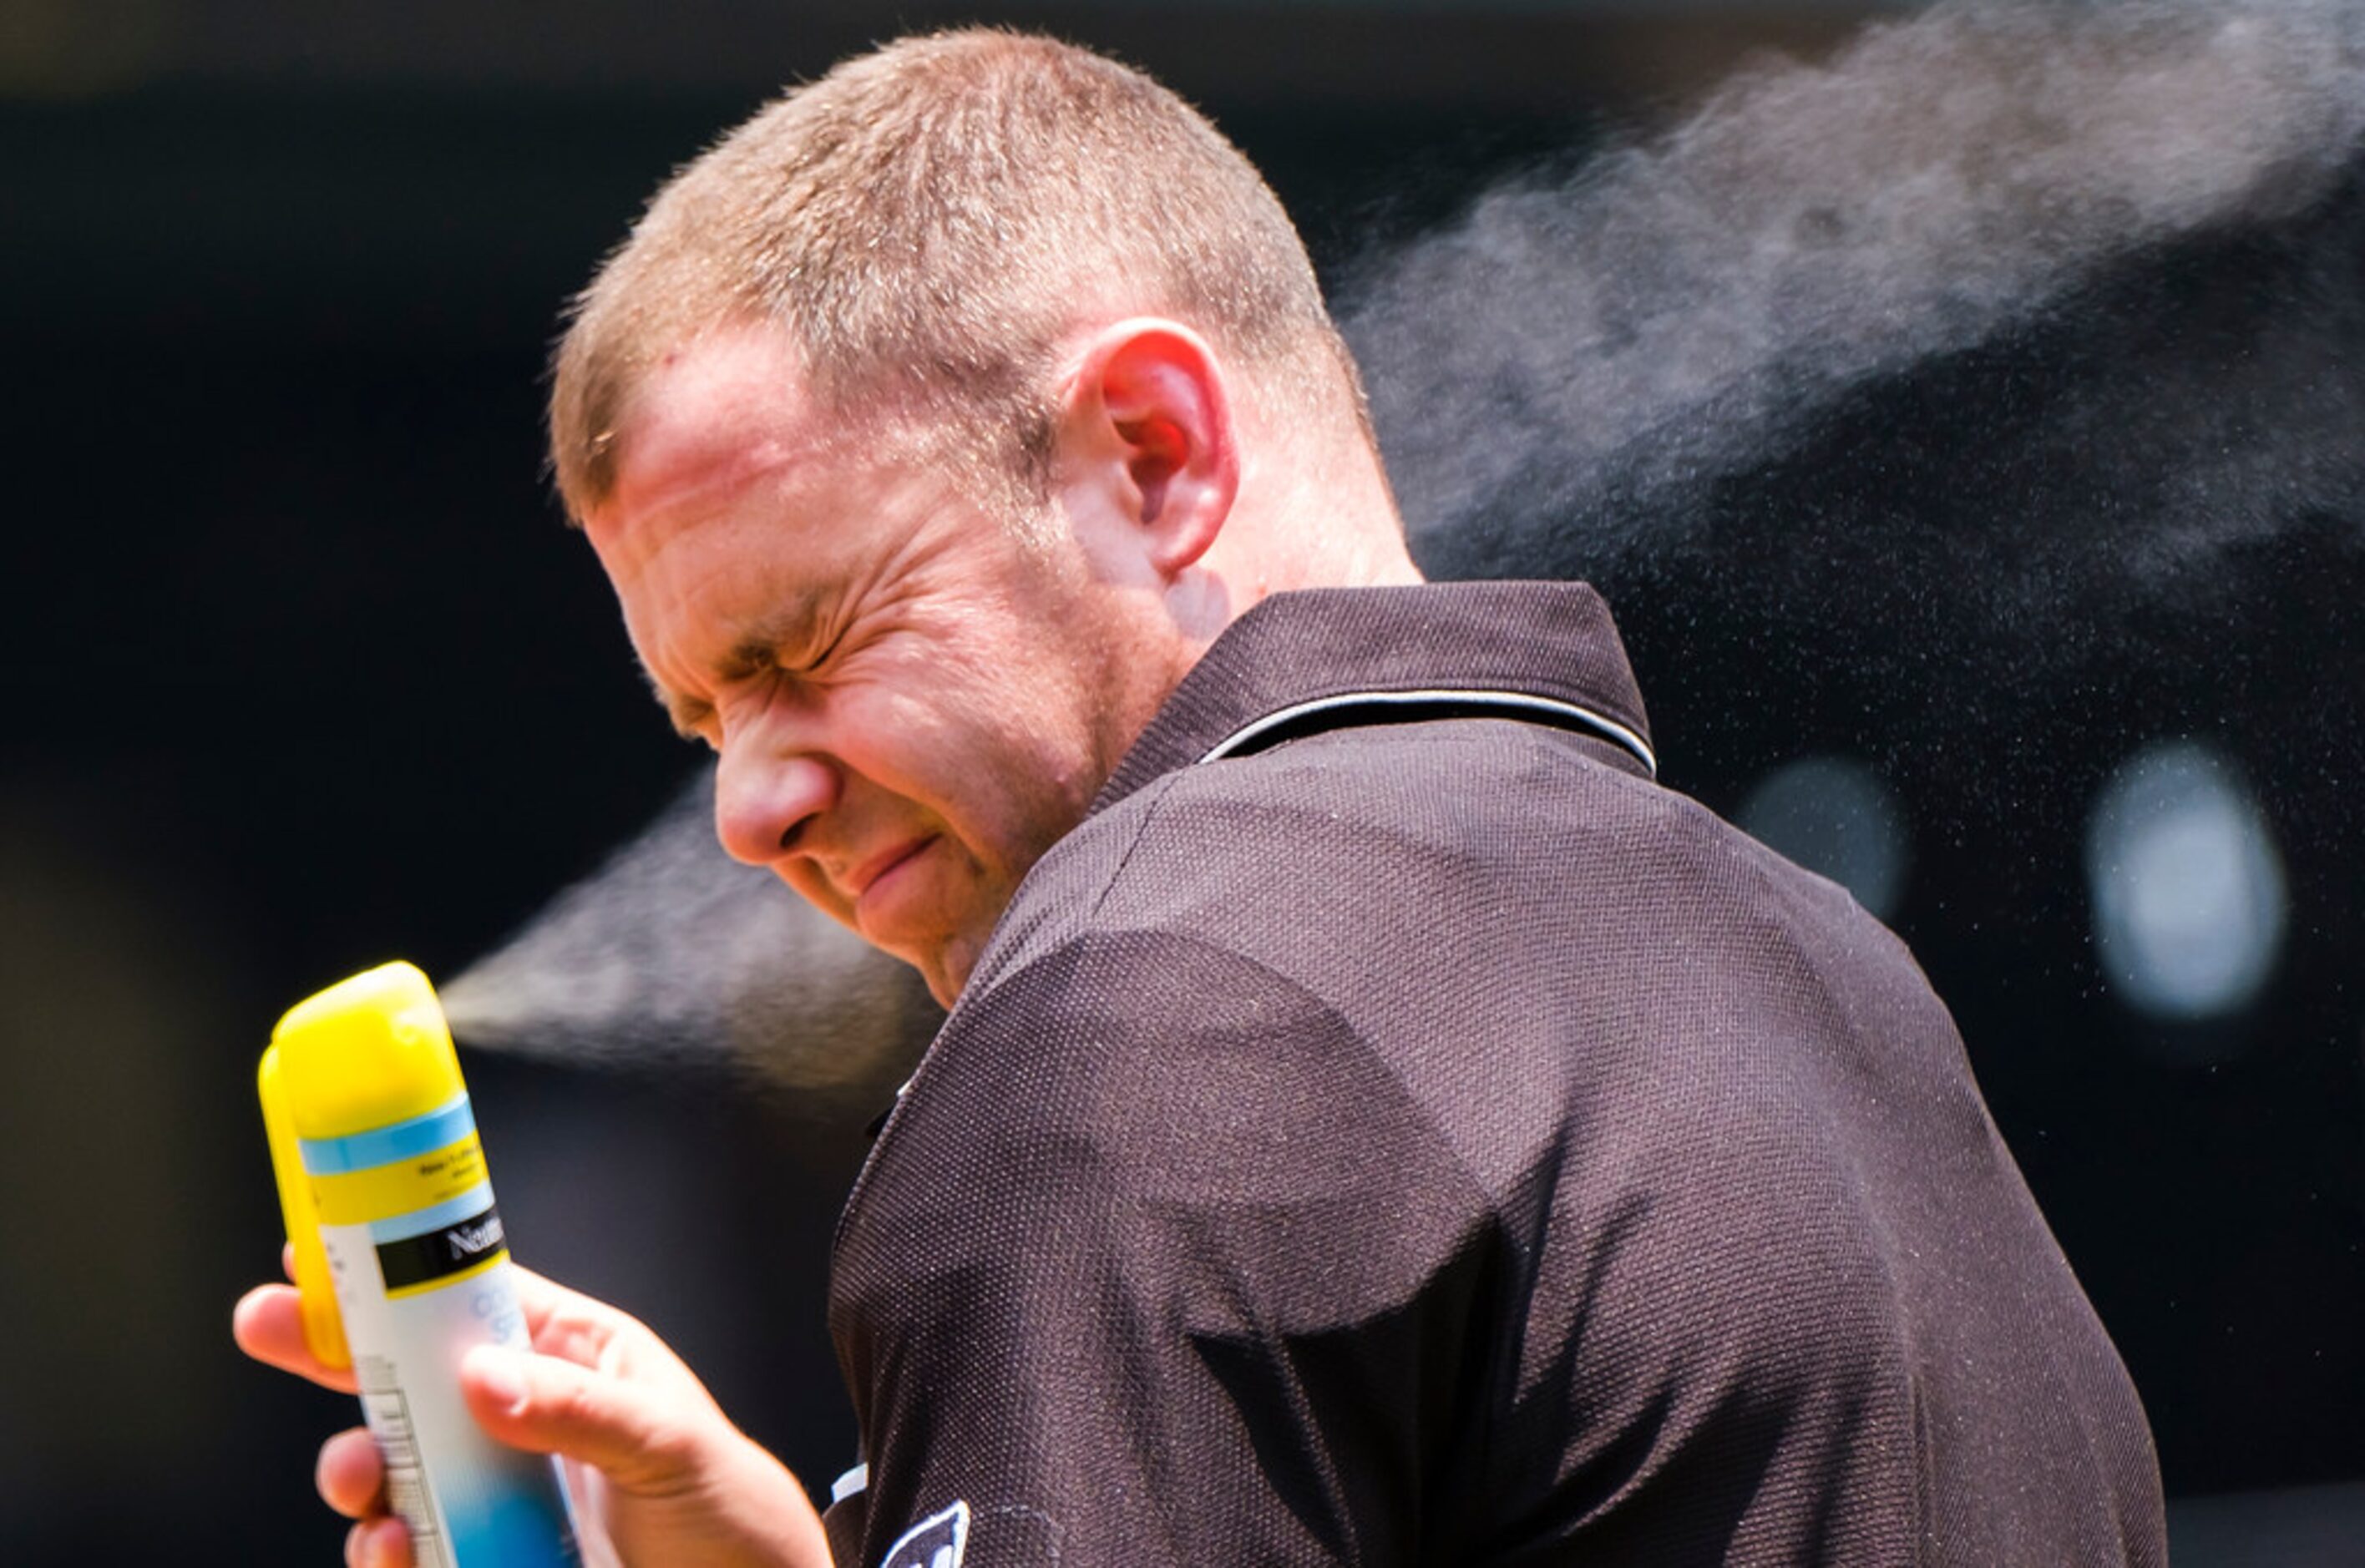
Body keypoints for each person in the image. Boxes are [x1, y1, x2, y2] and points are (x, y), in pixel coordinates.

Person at [236, 29, 2167, 1566]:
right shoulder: (1830, 975)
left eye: (805, 645)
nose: (746, 808)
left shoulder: (1153, 1011)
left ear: (1153, 451)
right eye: (700, 720)